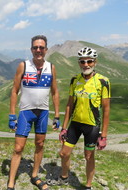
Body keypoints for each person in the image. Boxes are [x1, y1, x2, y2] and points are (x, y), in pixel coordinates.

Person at [47, 47, 111, 190]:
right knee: (64, 153)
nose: (86, 64)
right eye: (82, 61)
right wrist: (64, 128)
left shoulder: (103, 81)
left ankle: (87, 186)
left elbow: (106, 109)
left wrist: (104, 136)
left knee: (89, 156)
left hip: (92, 126)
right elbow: (69, 105)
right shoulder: (74, 80)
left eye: (89, 61)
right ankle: (64, 177)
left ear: (95, 62)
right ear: (79, 63)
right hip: (75, 124)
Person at [7, 35, 60, 190]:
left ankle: (35, 176)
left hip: (43, 112)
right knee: (18, 148)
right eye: (35, 47)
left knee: (40, 144)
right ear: (31, 49)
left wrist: (56, 116)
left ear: (46, 50)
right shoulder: (23, 65)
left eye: (41, 47)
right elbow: (14, 90)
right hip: (26, 112)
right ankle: (11, 182)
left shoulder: (51, 67)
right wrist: (12, 115)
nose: (38, 50)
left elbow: (55, 92)